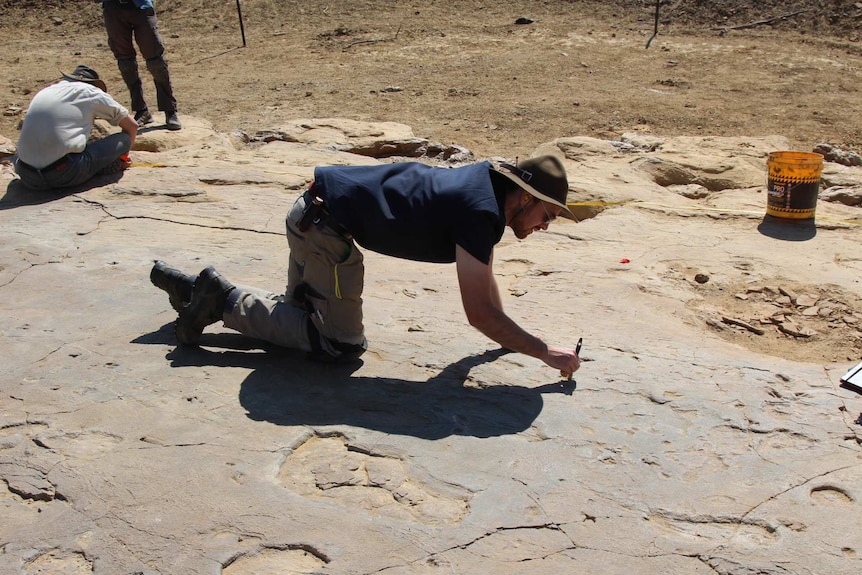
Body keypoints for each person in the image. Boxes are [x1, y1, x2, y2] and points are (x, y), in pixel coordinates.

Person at [151, 156, 582, 378]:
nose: (545, 226)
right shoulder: (480, 213)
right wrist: (542, 351)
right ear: (524, 197)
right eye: (548, 215)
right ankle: (220, 301)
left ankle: (196, 290)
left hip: (312, 214)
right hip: (326, 233)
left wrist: (512, 340)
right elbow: (479, 314)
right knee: (338, 344)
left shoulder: (485, 189)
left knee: (302, 321)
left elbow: (484, 286)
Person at [14, 65, 137, 191]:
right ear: (93, 84)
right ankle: (110, 165)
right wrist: (123, 159)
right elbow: (132, 126)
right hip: (65, 174)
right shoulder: (90, 91)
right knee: (124, 139)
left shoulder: (45, 91)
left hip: (27, 175)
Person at [98, 0, 182, 130]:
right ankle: (141, 110)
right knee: (125, 62)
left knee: (155, 61)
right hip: (113, 7)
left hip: (140, 6)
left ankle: (170, 110)